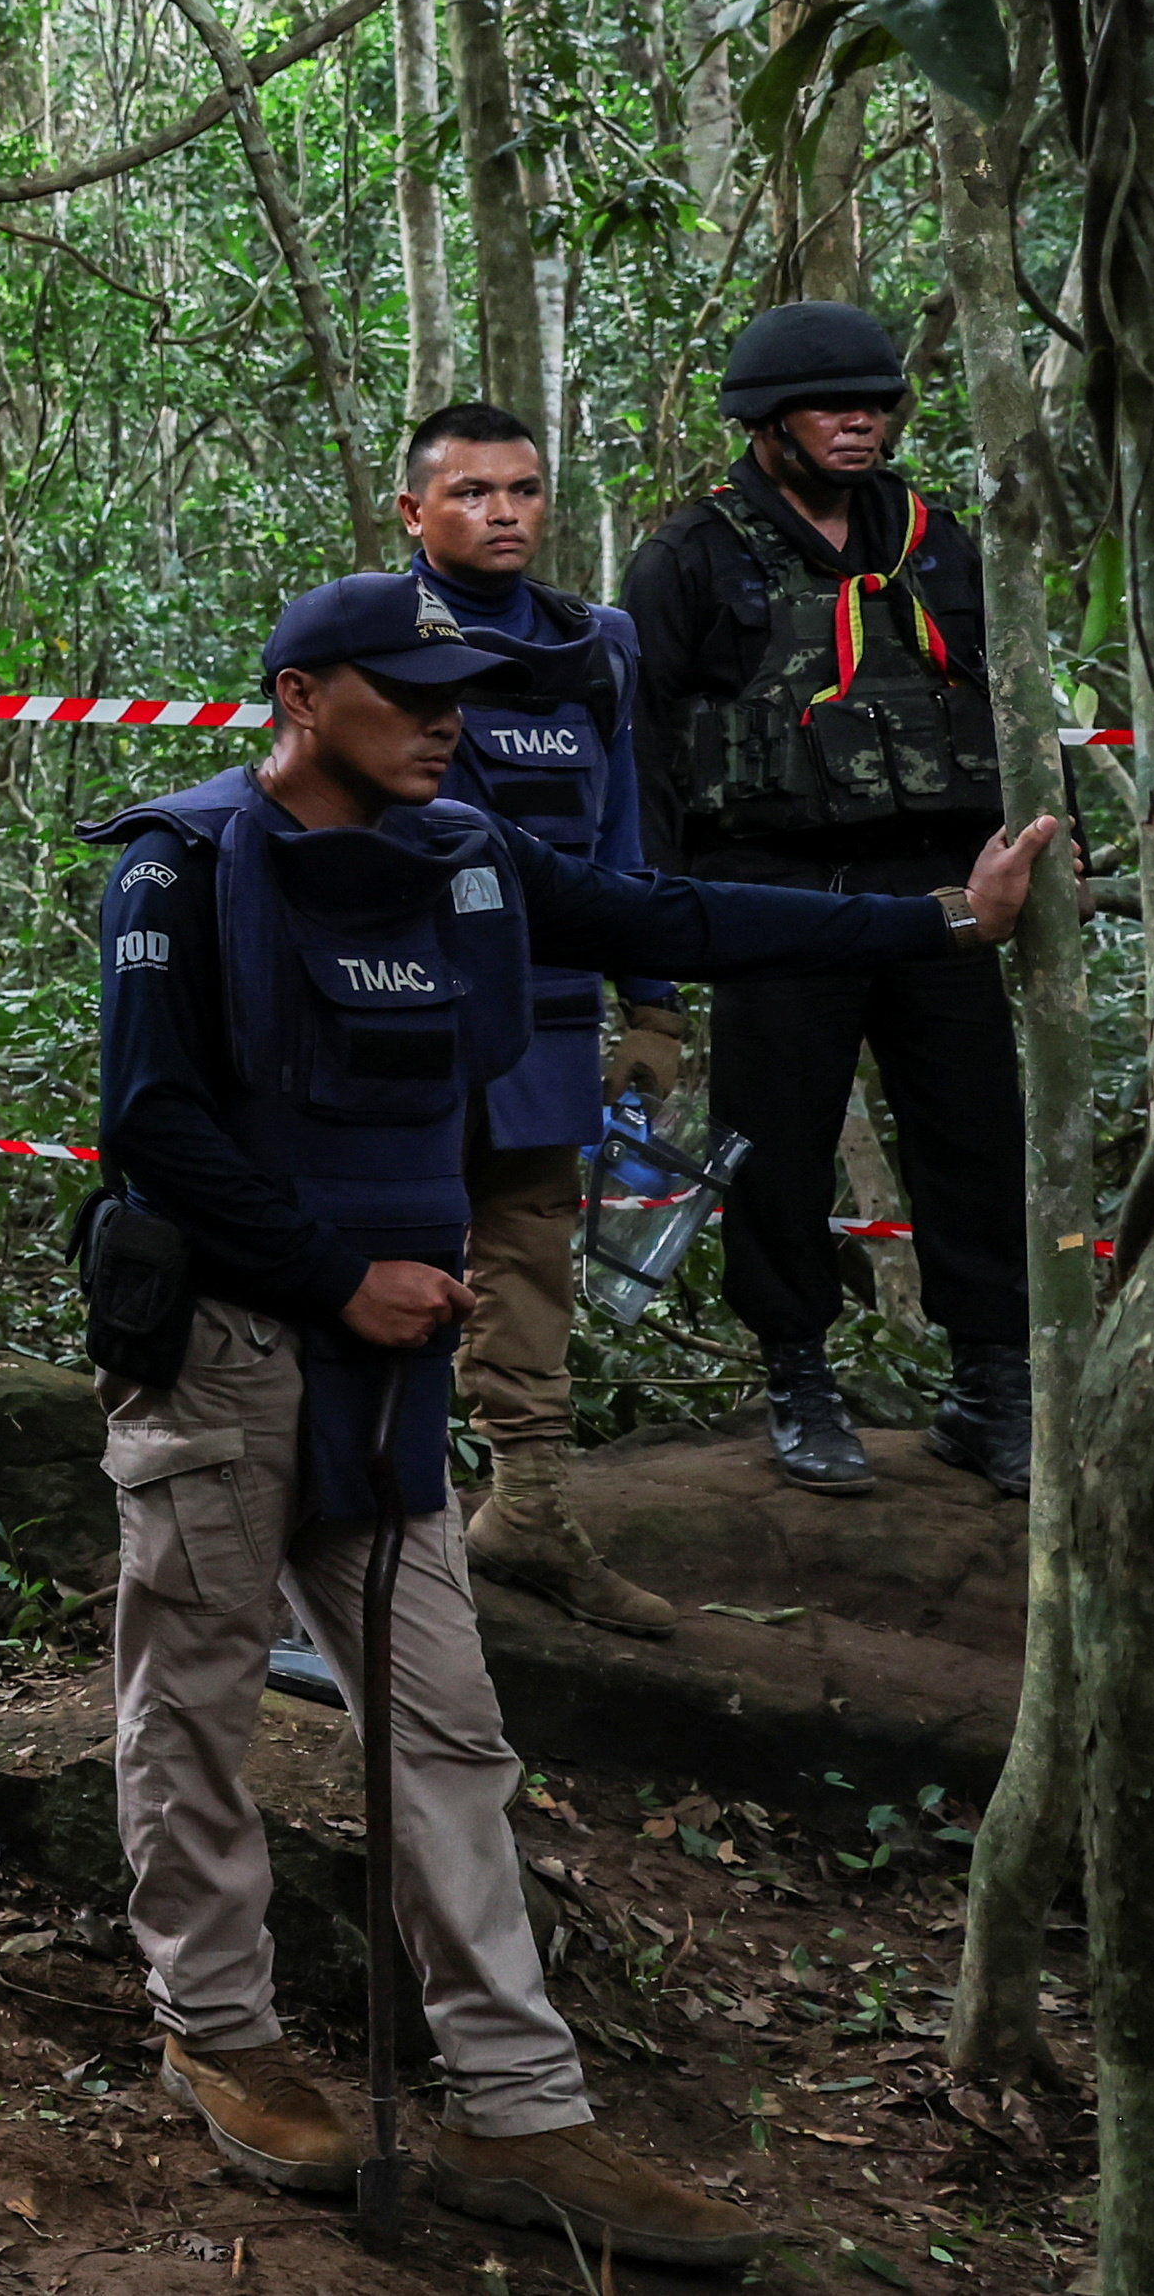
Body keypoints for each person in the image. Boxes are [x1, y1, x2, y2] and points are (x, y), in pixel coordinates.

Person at [80, 572, 1055, 2266]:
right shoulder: (181, 864)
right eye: (409, 691)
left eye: (462, 690)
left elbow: (669, 915)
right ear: (304, 696)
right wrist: (333, 1271)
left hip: (392, 1367)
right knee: (198, 1703)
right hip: (236, 1349)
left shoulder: (467, 850)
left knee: (448, 1726)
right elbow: (156, 1123)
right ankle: (217, 2032)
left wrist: (936, 921)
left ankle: (519, 2109)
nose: (448, 716)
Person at [618, 303, 1033, 1496]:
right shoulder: (689, 556)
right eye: (827, 405)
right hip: (767, 890)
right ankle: (796, 1375)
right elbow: (640, 748)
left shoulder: (936, 541)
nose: (857, 421)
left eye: (875, 403)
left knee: (971, 1132)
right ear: (762, 421)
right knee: (775, 1146)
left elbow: (1006, 706)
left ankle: (987, 1385)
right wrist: (649, 933)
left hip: (939, 891)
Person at [395, 404, 680, 1633]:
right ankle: (357, 1536)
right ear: (411, 511)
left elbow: (621, 831)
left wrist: (653, 1005)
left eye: (520, 490)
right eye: (469, 492)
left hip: (546, 1009)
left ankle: (526, 1511)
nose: (501, 511)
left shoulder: (597, 646)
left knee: (527, 1263)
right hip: (397, 1010)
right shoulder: (360, 633)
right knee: (378, 1262)